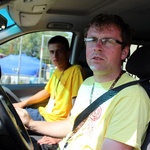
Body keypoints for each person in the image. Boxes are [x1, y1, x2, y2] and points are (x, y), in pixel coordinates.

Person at [16, 14, 150, 150]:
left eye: (108, 41)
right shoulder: (88, 83)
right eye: (92, 39)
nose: (97, 47)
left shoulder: (132, 96)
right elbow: (72, 124)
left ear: (124, 52)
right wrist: (30, 123)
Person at [13, 35, 84, 123]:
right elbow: (46, 92)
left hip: (54, 120)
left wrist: (67, 125)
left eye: (59, 51)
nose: (55, 56)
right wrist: (22, 103)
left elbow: (77, 101)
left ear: (68, 53)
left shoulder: (76, 70)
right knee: (12, 110)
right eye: (52, 52)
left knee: (11, 113)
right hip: (44, 113)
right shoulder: (56, 72)